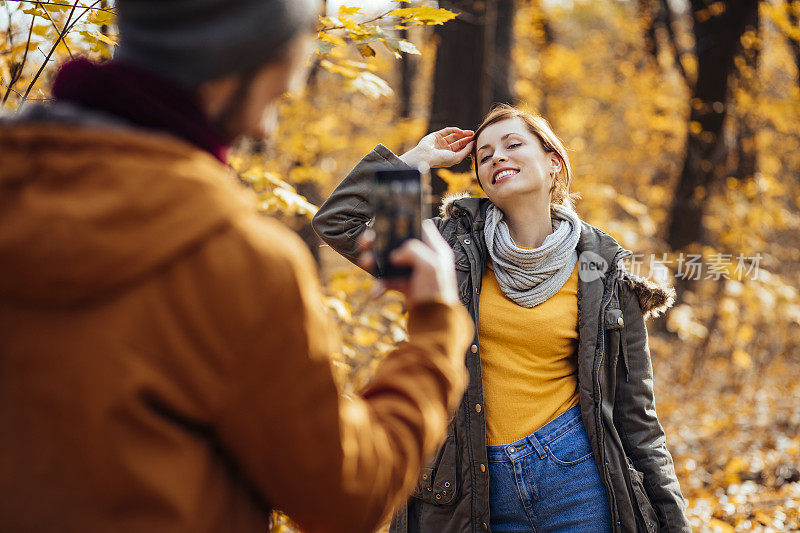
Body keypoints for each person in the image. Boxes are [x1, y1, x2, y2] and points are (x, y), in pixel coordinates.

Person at [0, 1, 474, 532]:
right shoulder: (240, 262)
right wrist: (434, 322)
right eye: (291, 54)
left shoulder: (586, 248)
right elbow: (346, 495)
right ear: (239, 61)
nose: (292, 87)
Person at [312, 104, 692, 532]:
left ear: (554, 164)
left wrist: (673, 520)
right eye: (485, 155)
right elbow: (340, 222)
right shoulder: (446, 248)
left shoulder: (604, 270)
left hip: (577, 479)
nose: (497, 158)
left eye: (513, 145)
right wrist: (414, 162)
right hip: (471, 484)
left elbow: (637, 413)